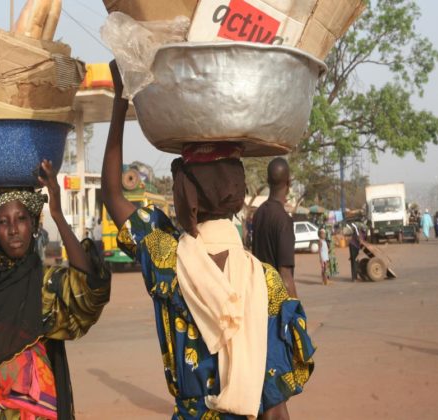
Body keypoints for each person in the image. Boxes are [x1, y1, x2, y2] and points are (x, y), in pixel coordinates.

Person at [102, 61, 314, 419]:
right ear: (237, 196)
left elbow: (112, 193)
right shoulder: (266, 282)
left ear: (188, 199)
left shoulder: (165, 256)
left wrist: (121, 99)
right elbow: (276, 409)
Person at [0, 160, 111, 419]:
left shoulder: (45, 284)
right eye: (3, 222)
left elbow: (88, 288)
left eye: (21, 219)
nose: (12, 230)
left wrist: (57, 214)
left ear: (33, 225)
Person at [251, 157, 298, 298]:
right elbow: (285, 276)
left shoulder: (258, 213)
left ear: (267, 181)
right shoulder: (283, 220)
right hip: (277, 303)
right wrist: (296, 315)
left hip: (260, 296)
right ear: (289, 183)